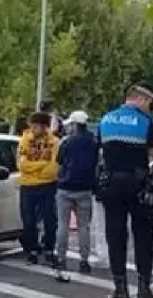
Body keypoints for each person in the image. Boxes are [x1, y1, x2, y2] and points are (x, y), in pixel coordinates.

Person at [98, 84, 153, 298]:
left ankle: (120, 289)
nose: (150, 109)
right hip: (138, 183)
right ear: (141, 100)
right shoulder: (145, 122)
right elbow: (152, 151)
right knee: (143, 235)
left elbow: (102, 150)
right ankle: (144, 290)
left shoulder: (105, 119)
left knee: (115, 234)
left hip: (111, 183)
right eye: (150, 105)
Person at [55, 110, 99, 274]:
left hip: (65, 188)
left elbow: (59, 162)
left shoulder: (67, 141)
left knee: (63, 225)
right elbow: (96, 164)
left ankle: (60, 259)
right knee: (83, 226)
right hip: (85, 189)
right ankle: (84, 260)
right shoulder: (93, 142)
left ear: (74, 125)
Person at [18, 112, 60, 265]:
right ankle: (32, 250)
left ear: (44, 127)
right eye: (32, 126)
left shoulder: (54, 142)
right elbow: (22, 165)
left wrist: (34, 169)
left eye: (36, 126)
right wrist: (42, 164)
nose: (33, 129)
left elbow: (53, 168)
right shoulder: (25, 140)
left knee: (50, 219)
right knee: (28, 220)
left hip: (47, 185)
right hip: (27, 185)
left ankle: (49, 249)